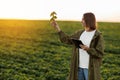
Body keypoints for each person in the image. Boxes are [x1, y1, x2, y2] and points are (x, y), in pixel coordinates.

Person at [50, 12, 104, 80]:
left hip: (90, 69)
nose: (81, 21)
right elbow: (67, 40)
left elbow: (100, 53)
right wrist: (57, 28)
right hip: (78, 68)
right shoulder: (80, 33)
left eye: (83, 19)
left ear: (89, 20)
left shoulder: (97, 35)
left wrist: (88, 49)